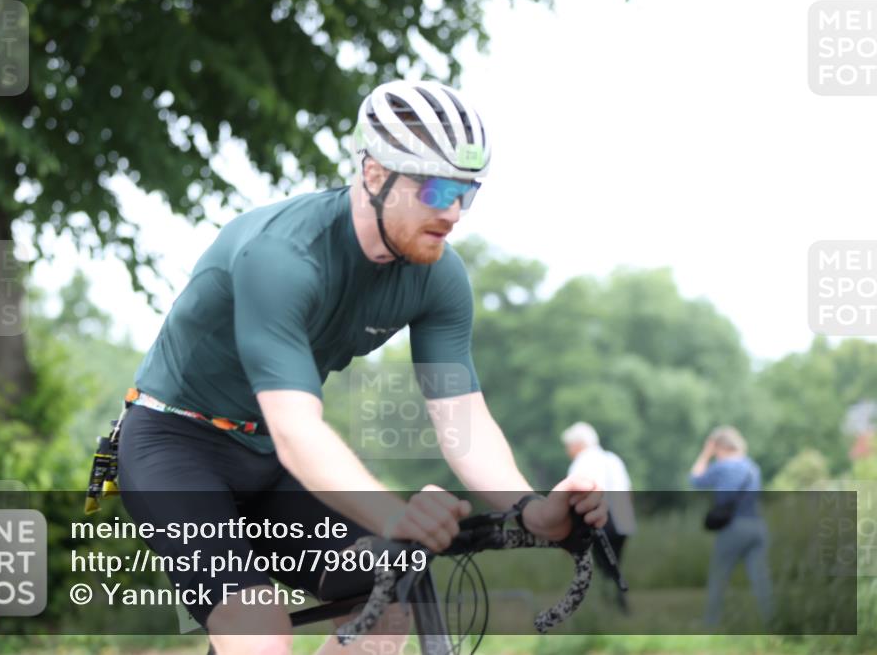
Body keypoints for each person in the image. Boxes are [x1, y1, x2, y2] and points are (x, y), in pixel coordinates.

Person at [116, 79, 608, 655]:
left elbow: (463, 423)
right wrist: (395, 514)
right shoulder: (282, 257)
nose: (452, 211)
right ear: (375, 174)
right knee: (262, 632)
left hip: (268, 462)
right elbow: (298, 432)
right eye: (435, 188)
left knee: (386, 598)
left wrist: (530, 509)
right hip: (178, 447)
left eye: (466, 192)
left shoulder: (438, 277)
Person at [689, 425, 773, 627]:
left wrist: (705, 453)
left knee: (718, 576)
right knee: (760, 578)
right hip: (757, 527)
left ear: (719, 447)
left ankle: (710, 623)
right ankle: (772, 621)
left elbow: (695, 479)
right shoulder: (753, 467)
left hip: (734, 528)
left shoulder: (723, 466)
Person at [561, 422, 635, 613]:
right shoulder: (613, 459)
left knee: (600, 568)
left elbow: (577, 496)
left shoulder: (582, 462)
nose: (568, 450)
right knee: (613, 566)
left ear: (578, 444)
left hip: (601, 520)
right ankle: (618, 605)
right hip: (623, 520)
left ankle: (609, 607)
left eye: (569, 446)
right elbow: (627, 491)